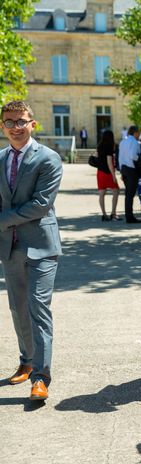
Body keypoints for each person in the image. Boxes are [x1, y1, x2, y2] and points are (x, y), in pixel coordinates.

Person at [0, 101, 63, 401]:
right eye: (9, 122)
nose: (16, 127)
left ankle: (41, 377)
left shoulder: (48, 158)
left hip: (41, 245)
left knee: (38, 306)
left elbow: (40, 204)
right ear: (3, 126)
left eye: (21, 121)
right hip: (9, 246)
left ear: (32, 124)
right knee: (17, 307)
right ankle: (26, 361)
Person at [118, 125, 141, 223]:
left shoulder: (123, 141)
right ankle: (130, 217)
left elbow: (120, 157)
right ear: (135, 133)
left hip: (124, 169)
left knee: (127, 194)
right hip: (131, 170)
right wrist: (140, 160)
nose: (139, 135)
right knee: (130, 194)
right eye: (139, 133)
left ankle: (129, 215)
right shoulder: (134, 142)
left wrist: (121, 170)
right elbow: (133, 156)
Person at [96, 129, 120, 221]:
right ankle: (113, 213)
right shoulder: (109, 147)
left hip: (100, 172)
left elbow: (96, 157)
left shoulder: (99, 146)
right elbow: (110, 162)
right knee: (116, 191)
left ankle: (104, 214)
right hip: (108, 173)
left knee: (102, 193)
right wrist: (114, 175)